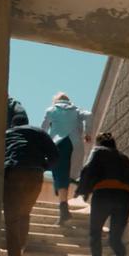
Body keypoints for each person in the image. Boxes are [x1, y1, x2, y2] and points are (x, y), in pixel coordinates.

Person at [4, 97, 59, 256]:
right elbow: (55, 156)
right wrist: (41, 166)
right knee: (24, 214)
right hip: (34, 174)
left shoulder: (7, 134)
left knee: (11, 220)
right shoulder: (38, 132)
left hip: (12, 174)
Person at [76, 133, 129, 256]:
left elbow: (87, 170)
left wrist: (82, 190)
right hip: (124, 198)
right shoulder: (124, 158)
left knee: (95, 232)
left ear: (99, 142)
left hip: (104, 194)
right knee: (115, 237)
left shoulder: (97, 151)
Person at [41, 92, 91, 225]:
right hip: (75, 145)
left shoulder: (51, 110)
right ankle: (69, 196)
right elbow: (89, 115)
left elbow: (43, 129)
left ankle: (64, 210)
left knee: (60, 174)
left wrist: (40, 144)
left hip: (58, 145)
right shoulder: (76, 110)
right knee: (68, 174)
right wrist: (88, 133)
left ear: (55, 101)